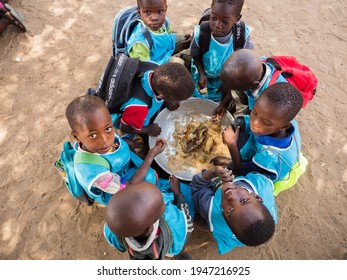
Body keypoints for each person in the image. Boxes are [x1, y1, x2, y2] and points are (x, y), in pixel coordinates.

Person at [65, 95, 166, 206]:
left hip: (120, 169)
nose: (105, 141)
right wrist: (150, 155)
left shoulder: (101, 137)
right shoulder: (97, 175)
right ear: (76, 137)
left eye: (108, 129)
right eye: (93, 135)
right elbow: (129, 186)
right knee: (149, 178)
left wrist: (127, 144)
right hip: (117, 189)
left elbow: (115, 139)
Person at [212, 82, 307, 195]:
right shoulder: (278, 119)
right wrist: (239, 123)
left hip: (265, 172)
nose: (255, 123)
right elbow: (251, 120)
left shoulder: (269, 158)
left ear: (284, 126)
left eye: (266, 122)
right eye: (254, 112)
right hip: (263, 150)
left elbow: (242, 170)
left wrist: (232, 144)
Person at [190, 165, 276, 255]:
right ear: (256, 196)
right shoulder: (263, 184)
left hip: (225, 230)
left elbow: (197, 187)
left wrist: (213, 172)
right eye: (244, 201)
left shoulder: (211, 209)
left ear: (224, 216)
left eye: (230, 210)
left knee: (200, 217)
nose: (231, 196)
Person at [104, 175, 195, 260]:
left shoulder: (114, 229)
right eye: (162, 205)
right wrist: (178, 194)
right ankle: (172, 253)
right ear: (149, 228)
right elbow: (188, 225)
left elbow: (115, 242)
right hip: (170, 245)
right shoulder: (173, 222)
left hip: (142, 250)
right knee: (185, 190)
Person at [189, 0, 254, 117]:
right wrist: (201, 73)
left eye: (225, 21)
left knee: (230, 101)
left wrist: (228, 83)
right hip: (204, 74)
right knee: (197, 100)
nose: (218, 25)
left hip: (228, 78)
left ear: (237, 18)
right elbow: (195, 55)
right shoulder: (201, 33)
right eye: (213, 18)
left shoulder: (241, 35)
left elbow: (243, 63)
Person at [112, 62, 195, 137]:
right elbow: (125, 128)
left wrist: (168, 100)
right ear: (161, 96)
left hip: (137, 103)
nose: (177, 101)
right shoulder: (139, 107)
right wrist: (148, 129)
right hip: (127, 117)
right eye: (177, 99)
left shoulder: (156, 68)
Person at [220, 49, 287, 112]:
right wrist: (223, 105)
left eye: (236, 88)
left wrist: (243, 120)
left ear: (254, 86)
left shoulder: (272, 96)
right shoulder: (255, 66)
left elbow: (264, 118)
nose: (232, 90)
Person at [126, 0, 191, 65]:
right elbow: (144, 68)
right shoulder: (139, 41)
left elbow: (168, 36)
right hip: (154, 64)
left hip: (164, 51)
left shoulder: (165, 22)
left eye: (159, 11)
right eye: (148, 12)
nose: (154, 18)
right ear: (139, 12)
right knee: (178, 64)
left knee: (186, 39)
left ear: (165, 9)